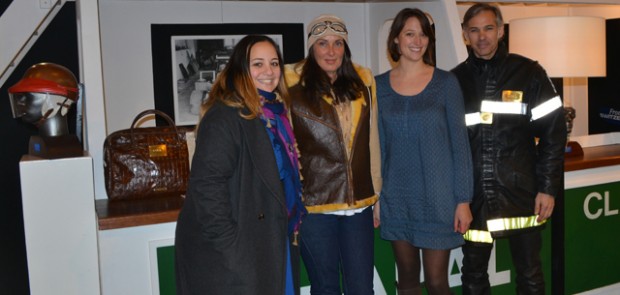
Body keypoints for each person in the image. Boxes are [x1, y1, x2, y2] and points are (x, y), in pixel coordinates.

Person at [175, 35, 306, 295]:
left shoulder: (276, 113)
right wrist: (234, 252)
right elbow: (207, 190)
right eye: (258, 64)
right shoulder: (224, 116)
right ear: (241, 70)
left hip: (271, 239)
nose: (269, 72)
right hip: (238, 253)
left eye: (274, 63)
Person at [451, 3, 566, 295]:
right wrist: (457, 196)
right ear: (465, 35)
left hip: (522, 193)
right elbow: (449, 144)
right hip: (474, 197)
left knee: (530, 275)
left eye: (489, 28)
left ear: (501, 30)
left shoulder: (529, 73)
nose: (482, 37)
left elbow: (554, 134)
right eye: (474, 30)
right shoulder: (453, 81)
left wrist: (548, 188)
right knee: (473, 276)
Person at [375, 8, 473, 295]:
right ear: (395, 40)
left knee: (436, 281)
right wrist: (377, 197)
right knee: (406, 278)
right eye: (409, 33)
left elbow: (460, 145)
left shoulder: (446, 83)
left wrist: (463, 200)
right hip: (396, 198)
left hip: (438, 199)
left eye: (423, 34)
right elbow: (377, 146)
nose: (417, 40)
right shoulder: (378, 86)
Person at [284, 14, 382, 295]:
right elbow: (287, 146)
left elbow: (371, 140)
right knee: (325, 287)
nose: (331, 51)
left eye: (338, 43)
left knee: (362, 288)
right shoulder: (291, 86)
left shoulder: (363, 81)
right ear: (312, 47)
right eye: (323, 43)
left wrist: (378, 194)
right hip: (314, 205)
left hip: (359, 205)